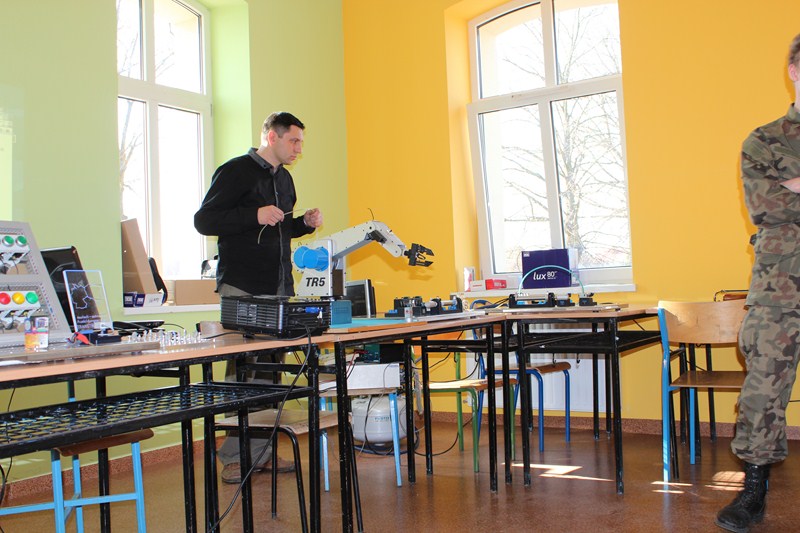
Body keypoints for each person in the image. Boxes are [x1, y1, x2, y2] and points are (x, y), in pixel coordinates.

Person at [194, 111, 323, 484]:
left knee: (271, 374)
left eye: (300, 142)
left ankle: (262, 453)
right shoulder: (235, 171)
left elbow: (278, 231)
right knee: (243, 374)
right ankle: (234, 458)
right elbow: (204, 221)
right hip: (243, 287)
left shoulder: (285, 180)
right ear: (272, 137)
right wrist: (254, 214)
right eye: (293, 141)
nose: (298, 149)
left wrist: (303, 225)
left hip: (278, 289)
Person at [716, 33, 800, 533]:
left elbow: (785, 201)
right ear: (794, 70)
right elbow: (765, 206)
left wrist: (793, 187)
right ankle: (752, 489)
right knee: (764, 386)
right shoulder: (764, 140)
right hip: (780, 284)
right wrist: (782, 194)